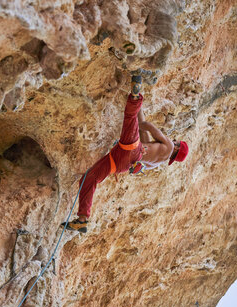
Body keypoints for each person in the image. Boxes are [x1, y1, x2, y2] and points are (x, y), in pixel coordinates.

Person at [61, 73, 189, 233]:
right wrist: (137, 118)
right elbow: (141, 130)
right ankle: (82, 220)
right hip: (122, 163)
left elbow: (147, 125)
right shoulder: (158, 161)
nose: (174, 140)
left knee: (129, 117)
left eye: (177, 141)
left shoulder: (169, 145)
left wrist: (136, 118)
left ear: (177, 148)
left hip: (132, 150)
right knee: (89, 178)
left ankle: (135, 95)